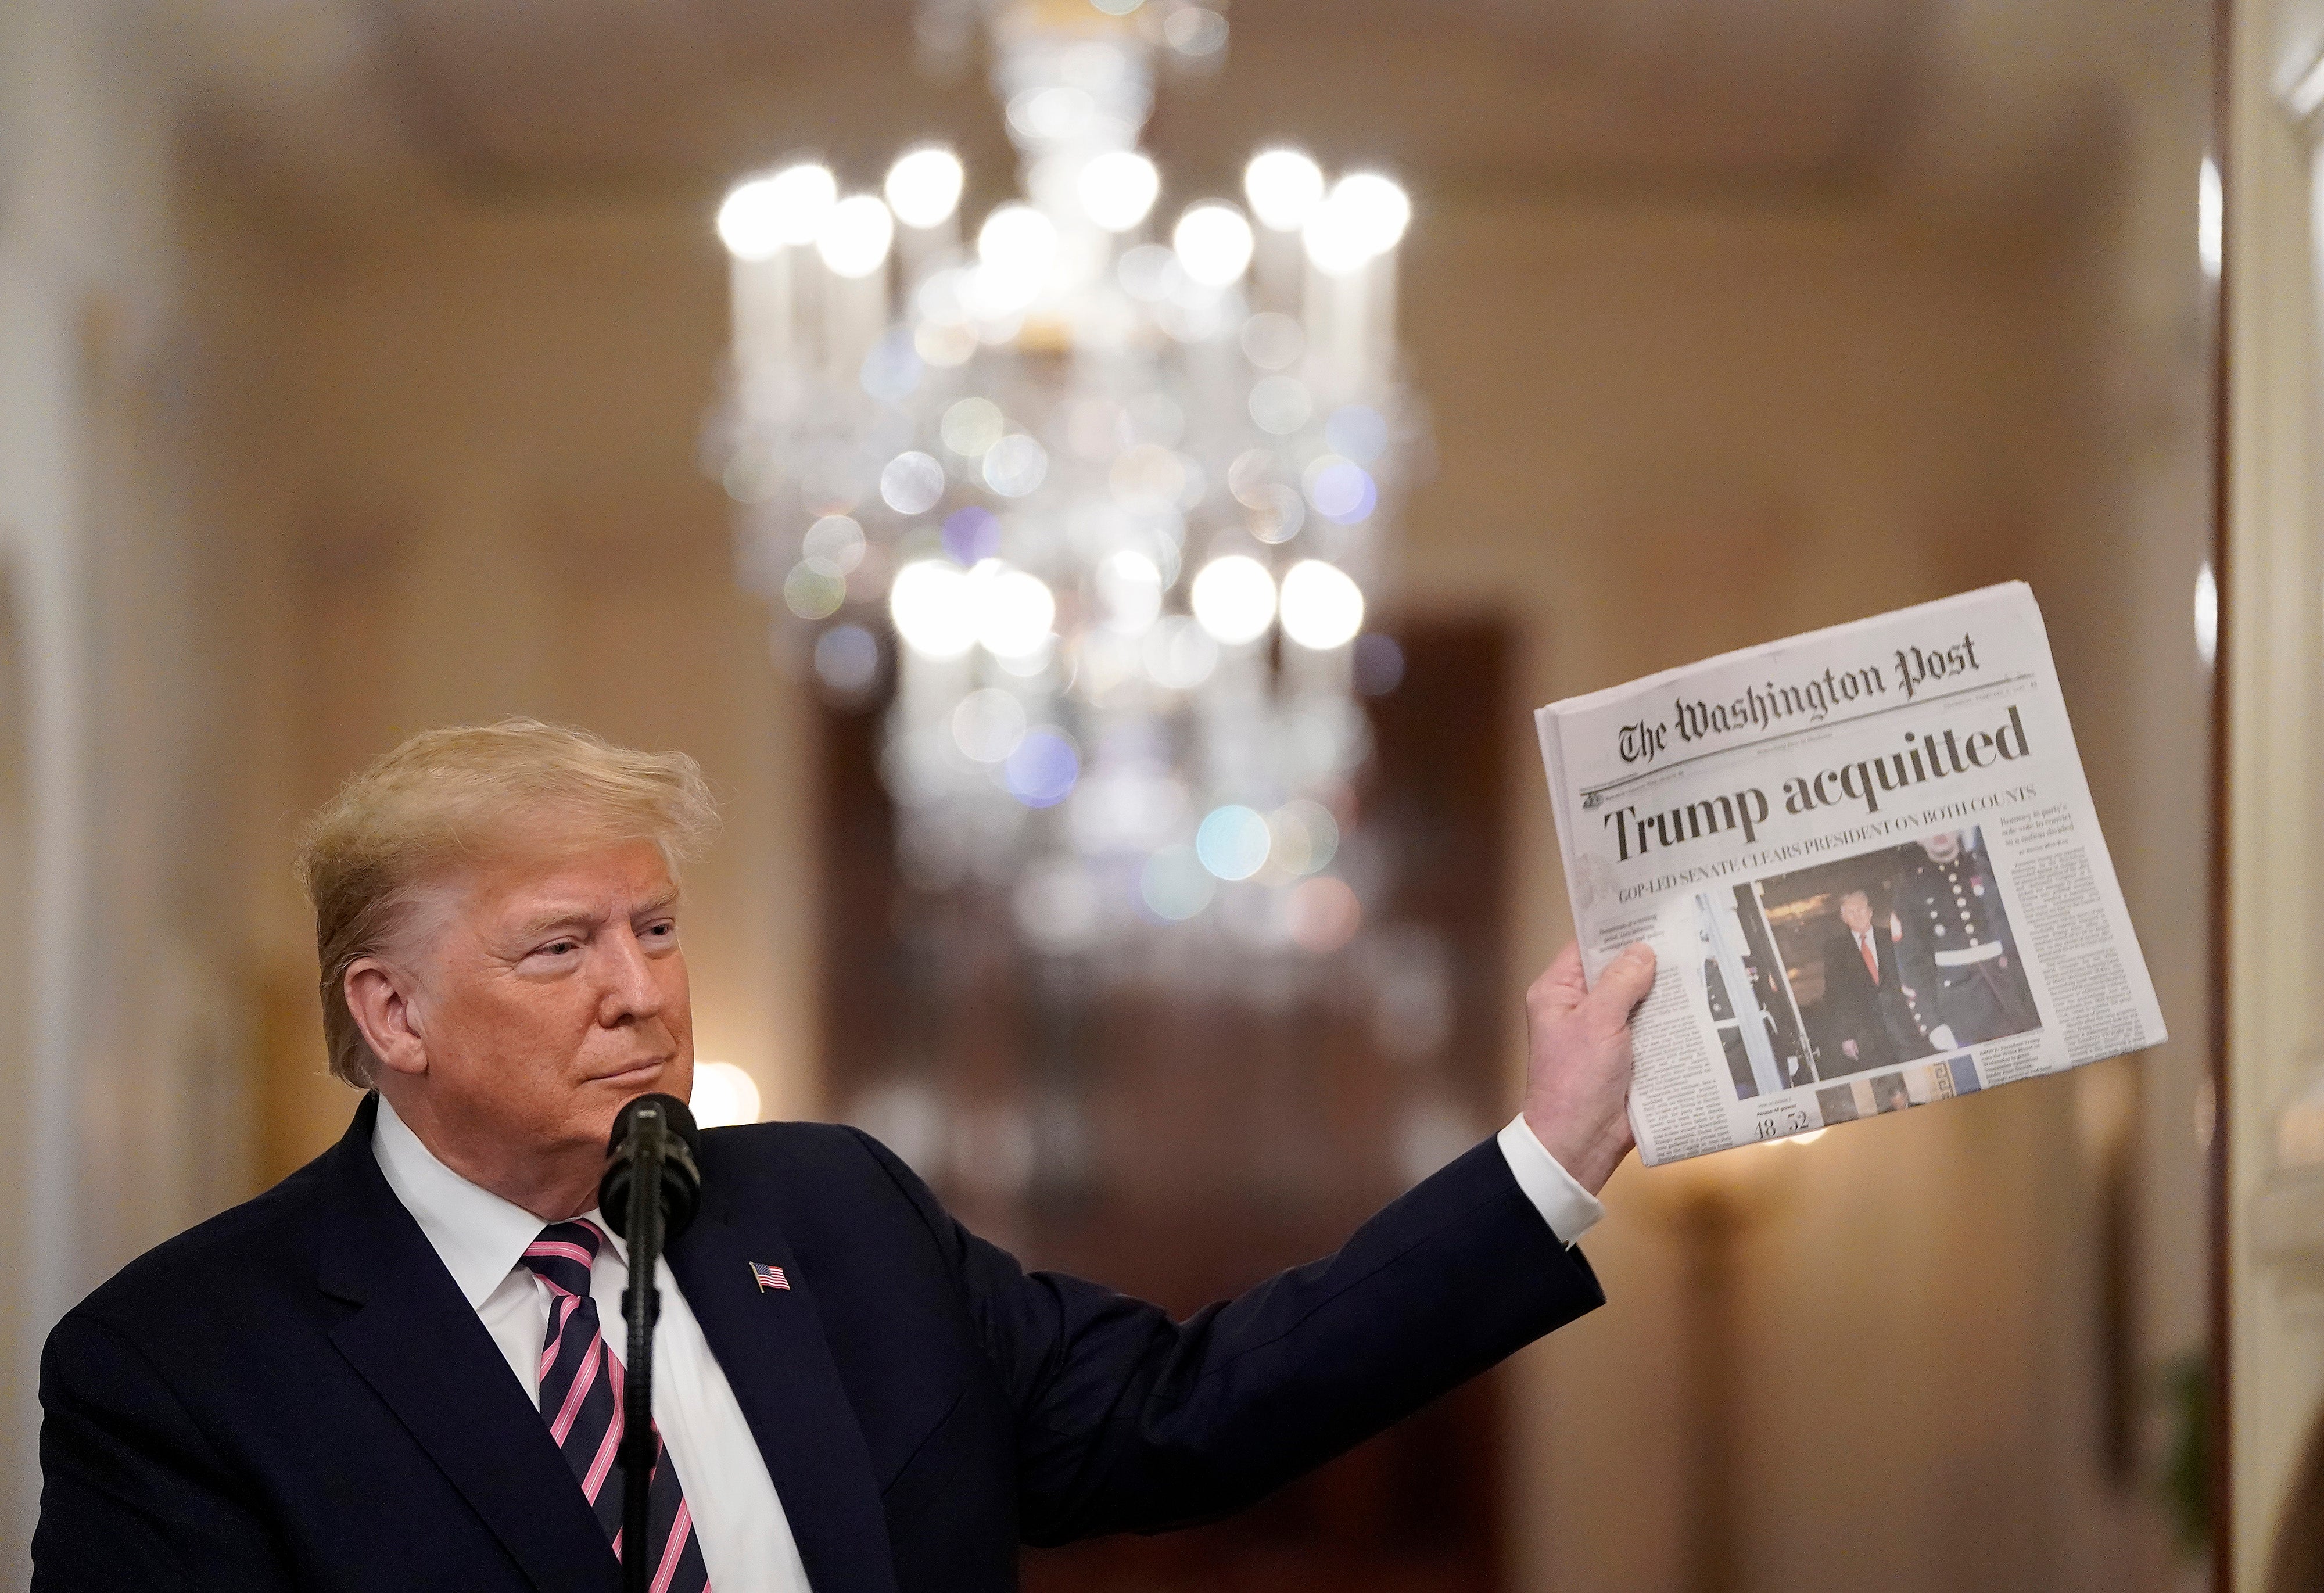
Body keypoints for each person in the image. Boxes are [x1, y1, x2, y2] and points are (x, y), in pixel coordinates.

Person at [32, 720, 1658, 1593]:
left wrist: (1550, 1153)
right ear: (390, 1009)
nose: (641, 988)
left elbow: (1181, 1411)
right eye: (559, 949)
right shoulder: (182, 1363)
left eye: (655, 926)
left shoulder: (829, 1210)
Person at [1890, 828, 2038, 1050]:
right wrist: (1933, 1024)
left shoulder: (1989, 868)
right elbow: (1912, 966)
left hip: (2014, 991)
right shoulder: (1910, 892)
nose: (1938, 831)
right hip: (1960, 1005)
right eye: (1929, 825)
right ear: (1919, 838)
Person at [1814, 889, 1923, 1077]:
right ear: (1843, 917)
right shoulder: (1835, 950)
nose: (1857, 915)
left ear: (1871, 912)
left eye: (1861, 909)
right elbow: (1836, 996)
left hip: (1905, 1025)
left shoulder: (1891, 938)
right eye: (1851, 912)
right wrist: (1846, 1036)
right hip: (1867, 1035)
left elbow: (1913, 977)